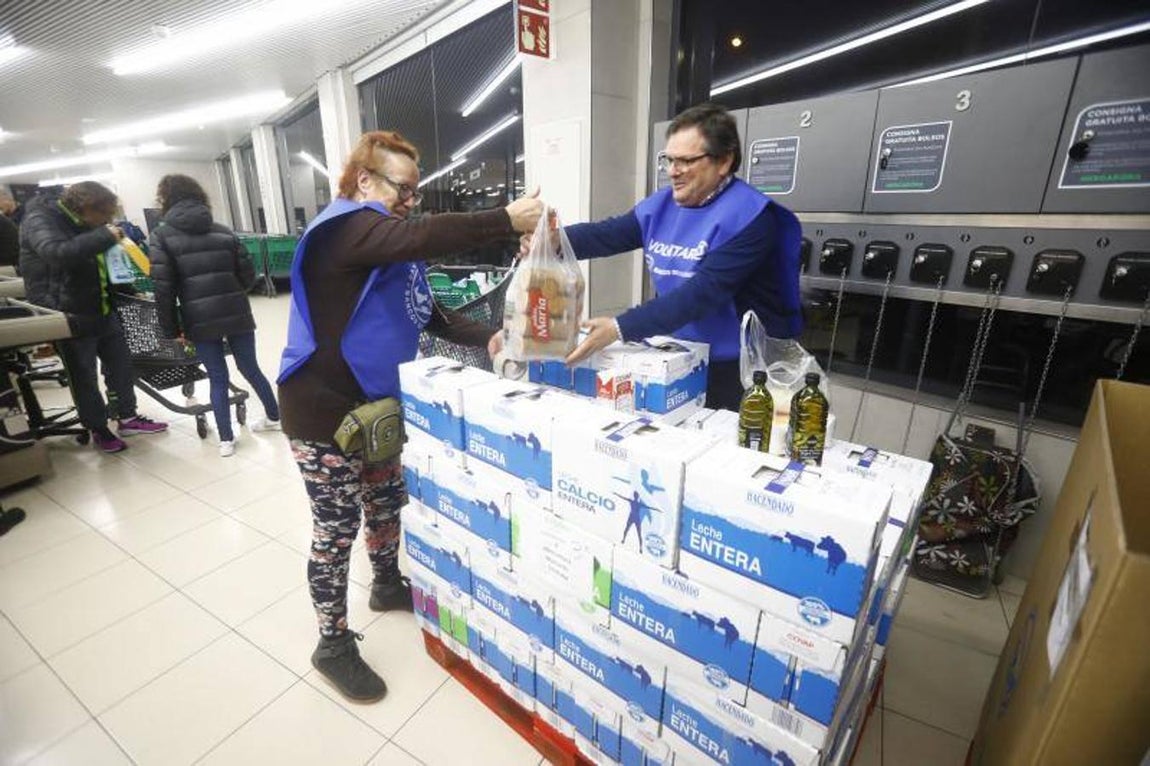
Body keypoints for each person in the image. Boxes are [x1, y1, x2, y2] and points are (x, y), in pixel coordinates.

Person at [277, 130, 543, 703]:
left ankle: (386, 584)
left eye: (414, 192)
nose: (409, 202)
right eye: (402, 189)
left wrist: (491, 336)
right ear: (363, 181)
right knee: (336, 528)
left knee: (385, 502)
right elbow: (420, 233)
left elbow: (430, 314)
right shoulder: (343, 230)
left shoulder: (388, 248)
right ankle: (331, 643)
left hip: (374, 406)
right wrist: (504, 219)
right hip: (321, 411)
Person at [558, 102, 803, 411]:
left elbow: (703, 293)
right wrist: (553, 240)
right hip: (683, 352)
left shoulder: (751, 217)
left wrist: (620, 327)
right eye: (669, 160)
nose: (673, 171)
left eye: (686, 161)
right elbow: (607, 234)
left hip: (740, 366)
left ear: (724, 161)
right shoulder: (663, 206)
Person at [19, 182, 168, 452]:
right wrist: (104, 236)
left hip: (103, 307)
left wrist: (128, 290)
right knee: (83, 376)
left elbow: (103, 262)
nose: (107, 220)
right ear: (86, 208)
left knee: (121, 366)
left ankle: (127, 417)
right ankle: (98, 428)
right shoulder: (40, 220)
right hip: (67, 313)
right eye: (104, 214)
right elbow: (57, 253)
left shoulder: (90, 224)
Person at [148, 174, 281, 457]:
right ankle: (274, 417)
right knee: (250, 368)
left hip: (199, 318)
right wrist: (232, 292)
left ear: (165, 200)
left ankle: (226, 440)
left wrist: (171, 329)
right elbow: (248, 274)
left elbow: (163, 289)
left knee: (218, 376)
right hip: (236, 311)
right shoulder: (224, 231)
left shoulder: (161, 236)